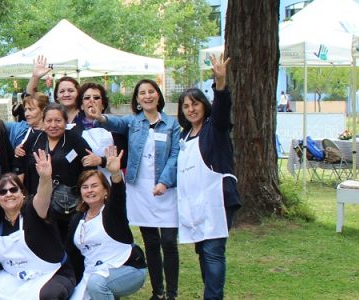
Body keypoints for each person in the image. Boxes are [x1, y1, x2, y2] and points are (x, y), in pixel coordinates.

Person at [89, 79, 181, 300]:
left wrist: (164, 182)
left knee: (169, 242)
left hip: (165, 188)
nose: (147, 96)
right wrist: (100, 118)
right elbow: (114, 123)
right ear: (138, 99)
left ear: (158, 96)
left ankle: (172, 294)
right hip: (140, 189)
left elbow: (175, 155)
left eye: (151, 92)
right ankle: (158, 292)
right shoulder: (133, 122)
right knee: (151, 242)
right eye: (142, 93)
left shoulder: (172, 124)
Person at [0, 149, 76, 300]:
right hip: (16, 278)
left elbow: (43, 196)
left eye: (13, 189)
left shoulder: (33, 211)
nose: (8, 194)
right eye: (3, 192)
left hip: (52, 274)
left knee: (48, 296)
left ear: (22, 193)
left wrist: (45, 178)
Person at [176, 54, 237, 300]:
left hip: (216, 201)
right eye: (186, 106)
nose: (191, 110)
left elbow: (222, 110)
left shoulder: (215, 128)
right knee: (203, 251)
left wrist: (220, 81)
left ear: (204, 105)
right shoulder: (184, 136)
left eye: (195, 104)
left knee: (213, 252)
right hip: (194, 204)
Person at [67, 146, 148, 300]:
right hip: (92, 273)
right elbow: (71, 252)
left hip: (127, 268)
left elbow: (118, 194)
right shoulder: (78, 218)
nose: (89, 190)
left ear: (105, 191)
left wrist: (115, 174)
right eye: (85, 187)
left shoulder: (112, 211)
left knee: (97, 284)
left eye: (94, 186)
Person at [20, 104, 91, 237]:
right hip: (37, 200)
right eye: (49, 121)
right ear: (43, 122)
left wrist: (84, 197)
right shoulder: (35, 139)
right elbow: (19, 162)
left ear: (66, 122)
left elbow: (89, 166)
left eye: (58, 121)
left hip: (66, 205)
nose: (53, 125)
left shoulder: (74, 140)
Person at [25, 56, 88, 128]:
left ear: (78, 93)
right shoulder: (50, 114)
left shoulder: (87, 115)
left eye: (71, 90)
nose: (66, 94)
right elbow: (30, 97)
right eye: (62, 91)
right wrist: (35, 77)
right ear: (56, 96)